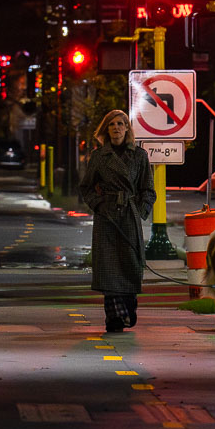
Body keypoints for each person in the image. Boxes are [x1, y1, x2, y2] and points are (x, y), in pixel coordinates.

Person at [79, 109, 156, 332]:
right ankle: (113, 318)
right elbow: (85, 187)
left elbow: (148, 190)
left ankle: (129, 308)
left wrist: (140, 210)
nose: (116, 128)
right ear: (106, 130)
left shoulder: (139, 156)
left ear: (127, 129)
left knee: (130, 263)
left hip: (129, 216)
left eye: (120, 124)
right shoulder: (99, 157)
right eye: (111, 124)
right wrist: (99, 205)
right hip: (107, 217)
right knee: (109, 267)